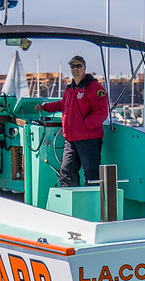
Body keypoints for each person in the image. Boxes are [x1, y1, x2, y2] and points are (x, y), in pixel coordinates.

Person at [35, 55, 108, 186]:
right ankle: (71, 202)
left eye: (78, 66)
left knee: (91, 173)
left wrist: (85, 125)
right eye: (73, 66)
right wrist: (44, 107)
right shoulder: (70, 89)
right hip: (71, 139)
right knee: (66, 171)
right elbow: (62, 105)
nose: (75, 69)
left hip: (88, 139)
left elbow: (102, 112)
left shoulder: (95, 89)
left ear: (84, 68)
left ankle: (93, 202)